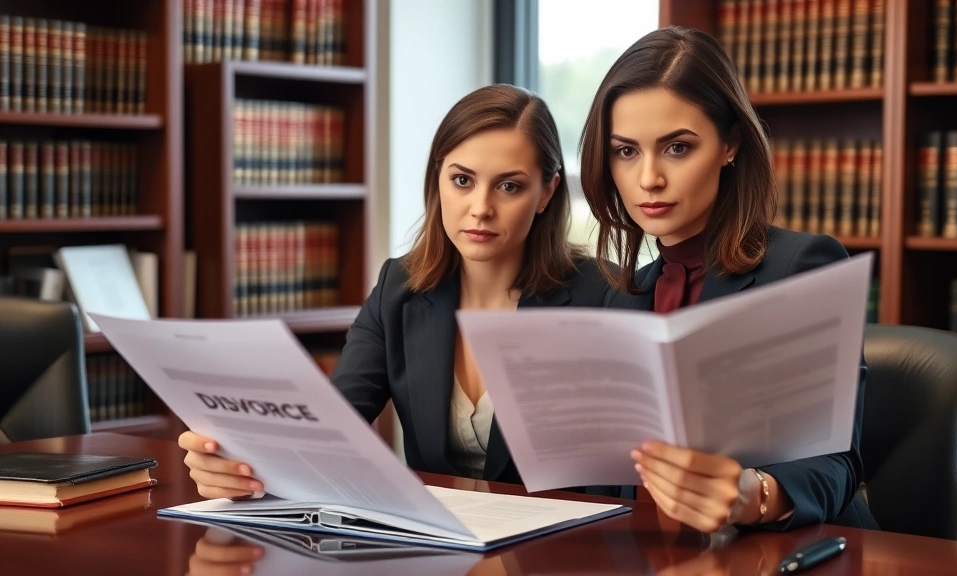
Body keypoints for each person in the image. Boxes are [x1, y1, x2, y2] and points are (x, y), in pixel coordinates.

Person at [178, 84, 623, 499]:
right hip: (440, 549)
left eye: (509, 186)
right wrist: (239, 461)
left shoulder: (604, 295)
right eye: (462, 180)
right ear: (439, 179)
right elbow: (333, 429)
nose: (481, 208)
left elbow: (623, 481)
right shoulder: (400, 288)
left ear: (546, 192)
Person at [579, 26, 877, 532]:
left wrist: (752, 495)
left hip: (793, 552)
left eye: (677, 148)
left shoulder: (802, 266)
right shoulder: (621, 296)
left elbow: (838, 465)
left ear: (730, 146)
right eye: (626, 151)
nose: (648, 177)